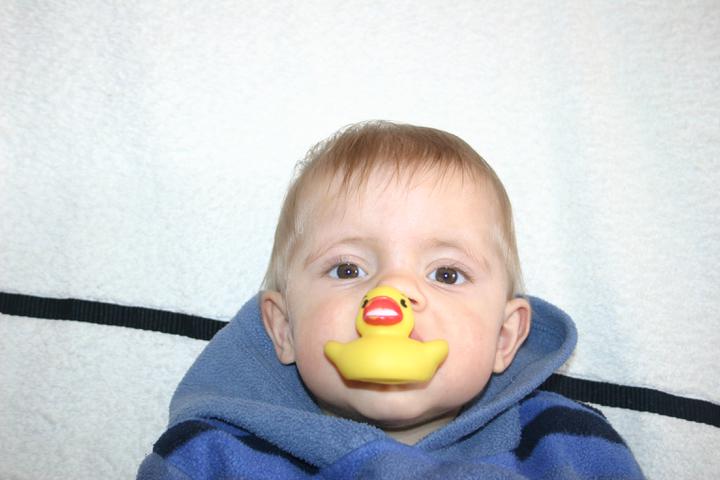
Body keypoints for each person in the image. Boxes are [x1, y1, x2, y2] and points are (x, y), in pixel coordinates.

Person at [138, 121, 643, 479]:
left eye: (446, 274)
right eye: (348, 270)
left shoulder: (565, 447)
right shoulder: (211, 457)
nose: (391, 295)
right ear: (284, 328)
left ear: (505, 337)